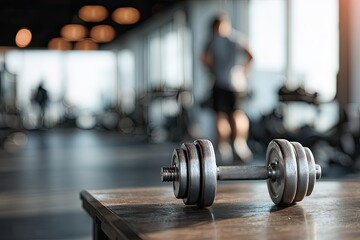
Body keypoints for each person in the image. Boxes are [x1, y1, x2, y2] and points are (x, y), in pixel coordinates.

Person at [201, 13, 254, 163]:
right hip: (237, 83)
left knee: (221, 115)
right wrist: (244, 71)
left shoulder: (212, 40)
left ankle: (224, 148)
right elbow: (251, 55)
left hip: (220, 83)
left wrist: (212, 70)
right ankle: (240, 144)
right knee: (238, 113)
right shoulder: (238, 38)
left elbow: (204, 59)